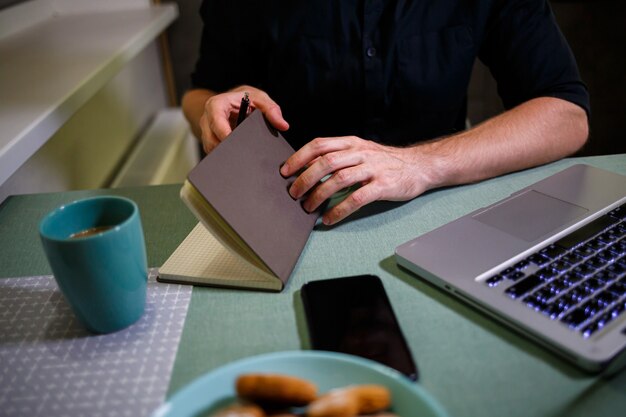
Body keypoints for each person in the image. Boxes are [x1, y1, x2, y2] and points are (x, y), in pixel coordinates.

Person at [182, 0, 589, 226]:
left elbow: (567, 115)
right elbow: (200, 93)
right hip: (291, 215)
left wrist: (421, 165)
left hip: (439, 204)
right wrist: (215, 107)